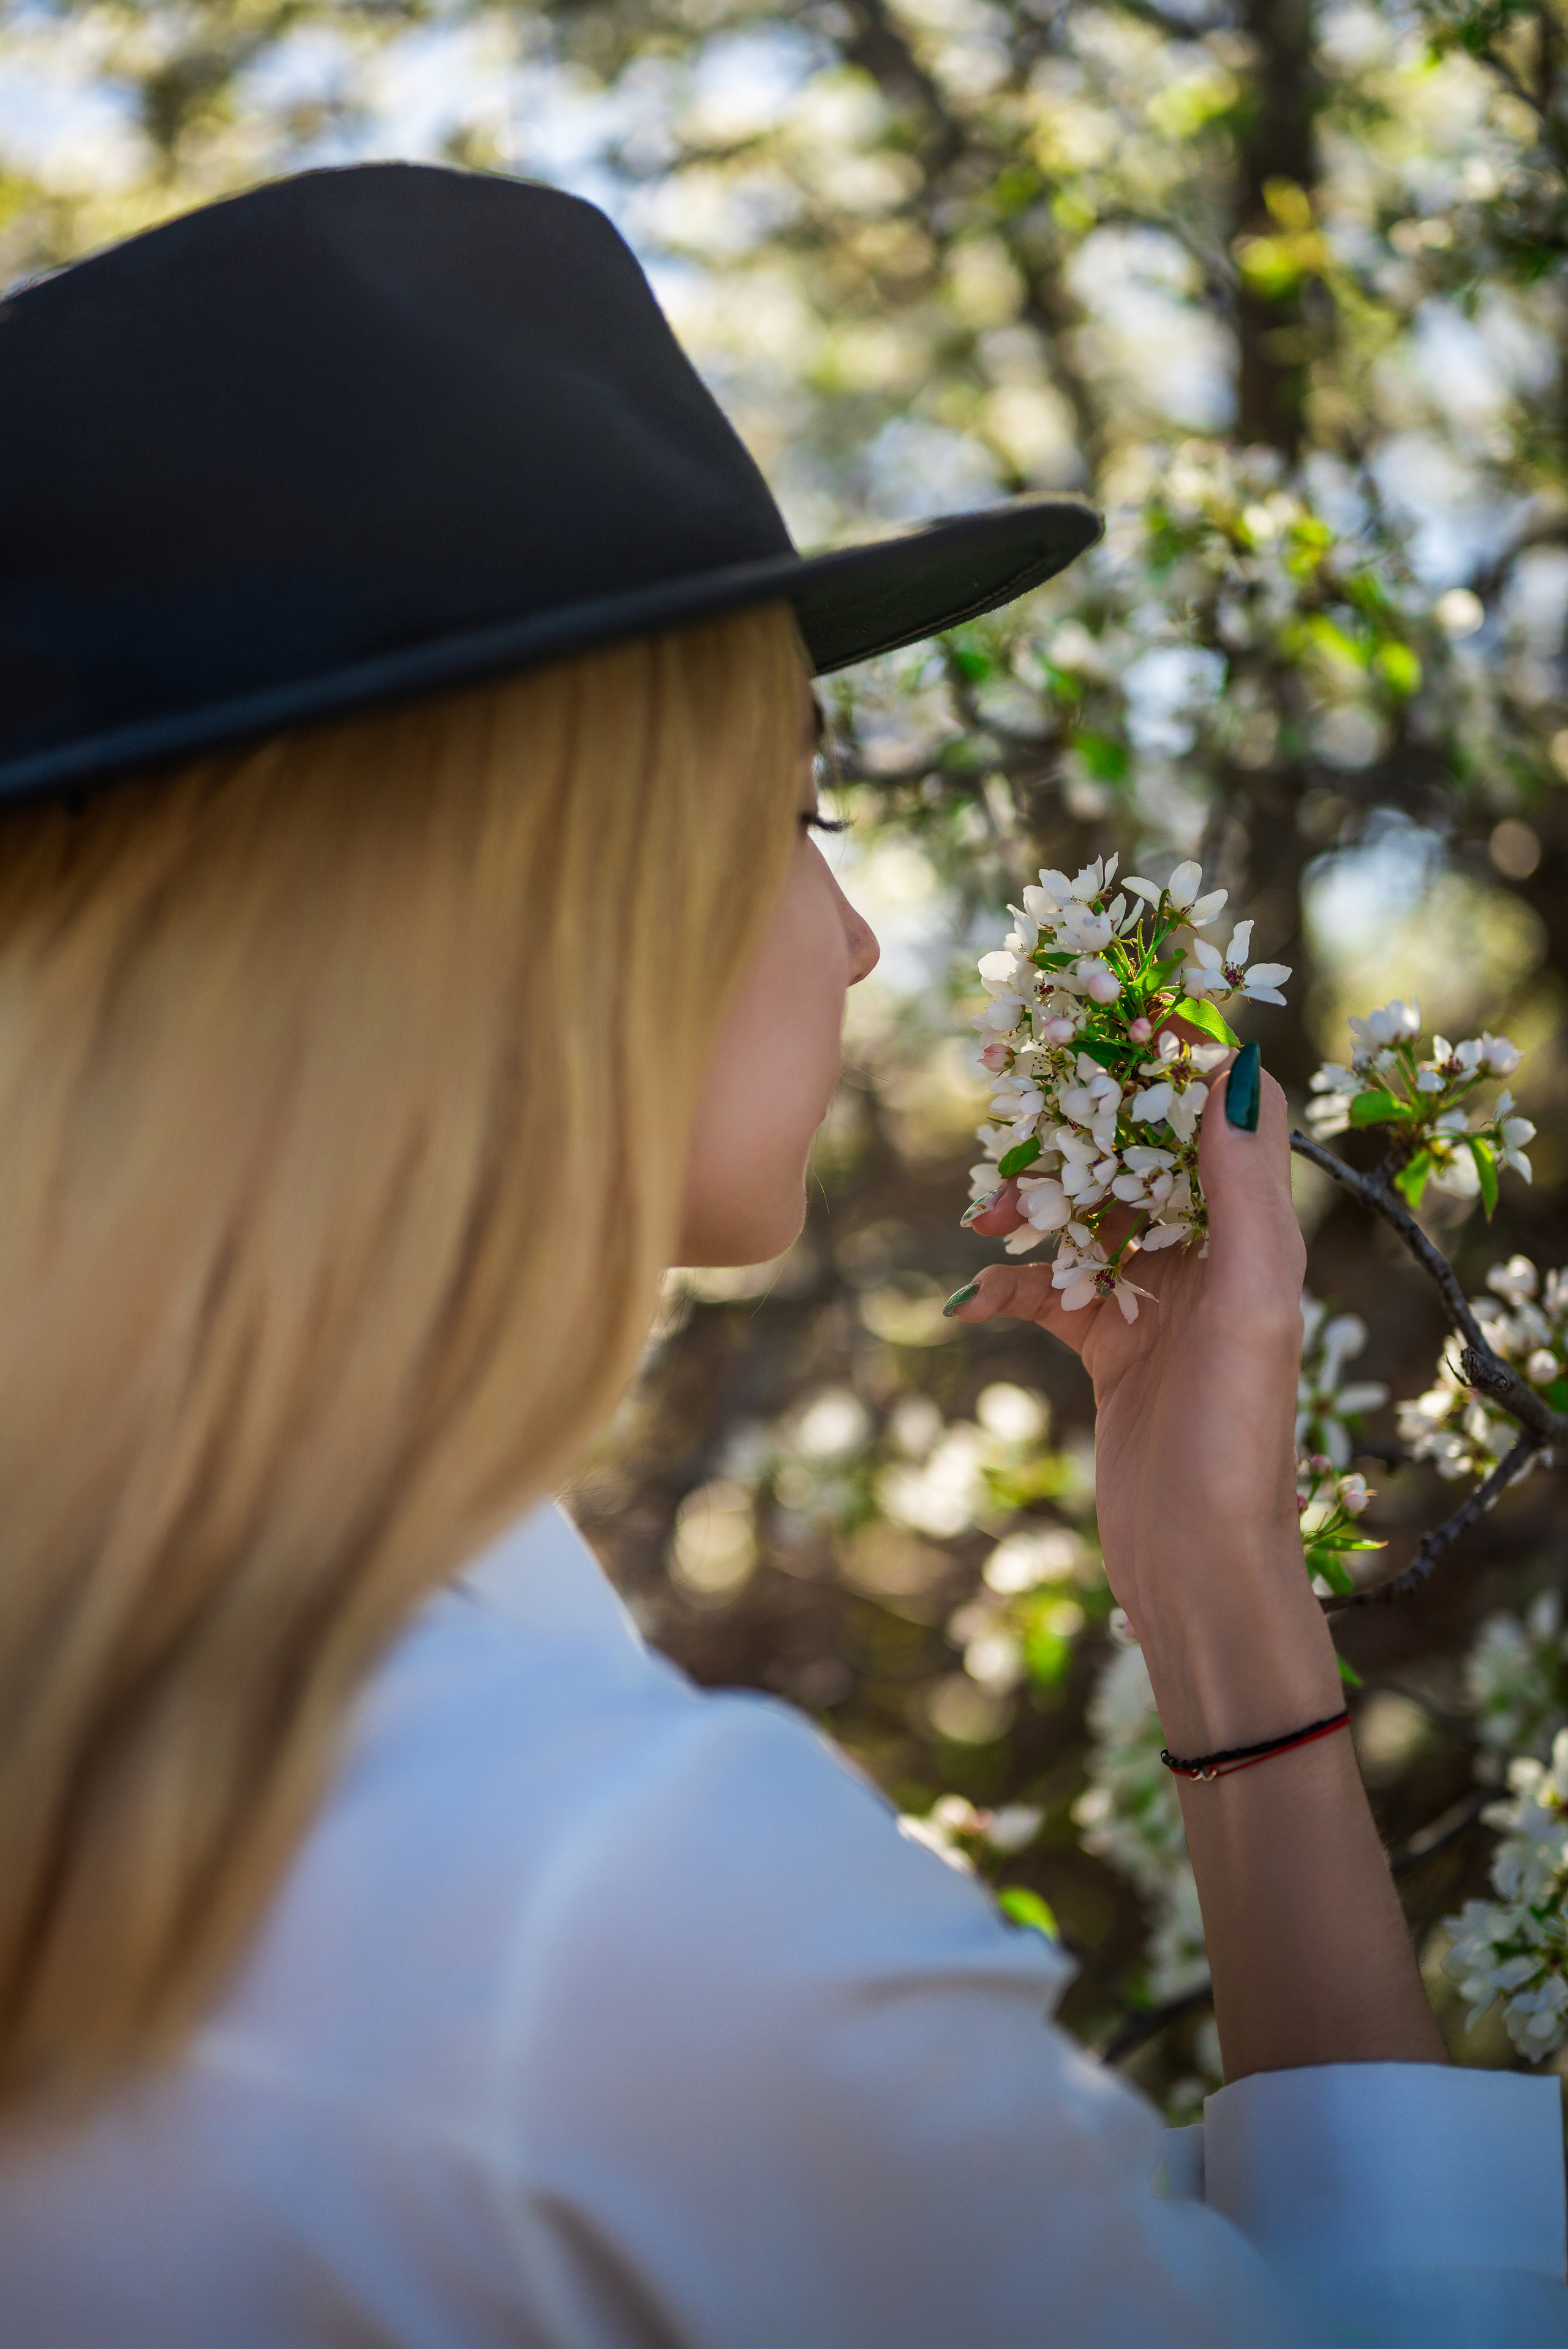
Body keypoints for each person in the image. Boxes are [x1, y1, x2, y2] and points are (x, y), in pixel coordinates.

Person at [0, 161, 1559, 2349]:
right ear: (542, 921)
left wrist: (1202, 1565)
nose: (856, 936)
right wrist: (1245, 1637)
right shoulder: (627, 1922)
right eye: (792, 815)